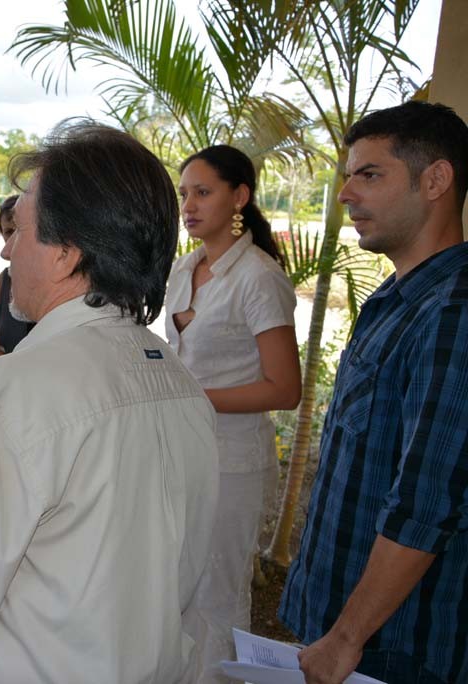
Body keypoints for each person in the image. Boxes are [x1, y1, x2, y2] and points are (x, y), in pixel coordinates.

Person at [0, 121, 220, 683]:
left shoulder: (17, 392)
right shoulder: (182, 385)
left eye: (20, 229)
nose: (7, 248)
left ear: (65, 253)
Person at [279, 101, 468, 684]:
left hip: (393, 650)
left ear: (435, 180)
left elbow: (426, 503)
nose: (344, 194)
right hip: (342, 629)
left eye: (369, 174)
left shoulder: (453, 314)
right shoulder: (396, 300)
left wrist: (346, 637)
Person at [165, 145, 302, 683]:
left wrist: (192, 396)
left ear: (239, 196)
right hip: (181, 452)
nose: (189, 206)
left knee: (218, 595)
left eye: (203, 192)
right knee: (177, 588)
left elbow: (284, 388)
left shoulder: (259, 277)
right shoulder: (184, 267)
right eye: (184, 195)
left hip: (234, 462)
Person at [0, 194, 34, 359]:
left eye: (19, 230)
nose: (13, 239)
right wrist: (6, 371)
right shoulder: (5, 278)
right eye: (8, 232)